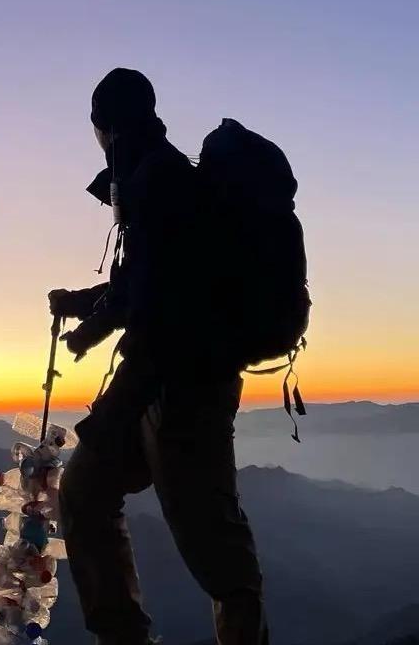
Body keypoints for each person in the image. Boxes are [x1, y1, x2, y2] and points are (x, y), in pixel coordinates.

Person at [50, 68, 269, 645]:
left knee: (213, 547)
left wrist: (113, 411)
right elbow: (138, 290)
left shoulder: (159, 183)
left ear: (107, 127)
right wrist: (82, 314)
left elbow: (158, 318)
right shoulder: (156, 175)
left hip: (182, 390)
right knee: (86, 494)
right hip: (171, 382)